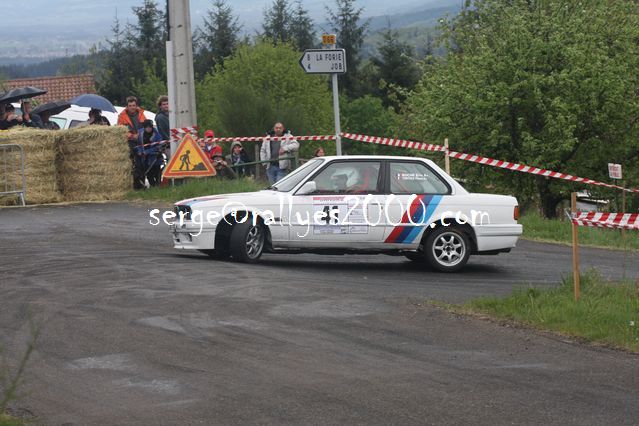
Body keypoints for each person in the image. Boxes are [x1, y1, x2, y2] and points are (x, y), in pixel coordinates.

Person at [117, 96, 147, 189]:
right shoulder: (122, 117)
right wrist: (132, 136)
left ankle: (141, 182)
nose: (132, 107)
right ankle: (136, 184)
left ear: (136, 105)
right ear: (127, 106)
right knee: (133, 164)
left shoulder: (142, 114)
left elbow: (146, 126)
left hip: (141, 141)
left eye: (134, 105)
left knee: (142, 163)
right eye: (130, 105)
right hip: (130, 142)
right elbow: (120, 130)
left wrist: (140, 134)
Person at [137, 119, 163, 187]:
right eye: (147, 127)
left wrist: (147, 152)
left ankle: (158, 185)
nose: (148, 128)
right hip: (145, 159)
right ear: (144, 127)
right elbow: (138, 144)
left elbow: (159, 146)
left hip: (155, 158)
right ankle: (153, 186)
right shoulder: (140, 133)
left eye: (150, 127)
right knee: (149, 174)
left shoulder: (157, 135)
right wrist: (140, 151)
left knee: (157, 173)